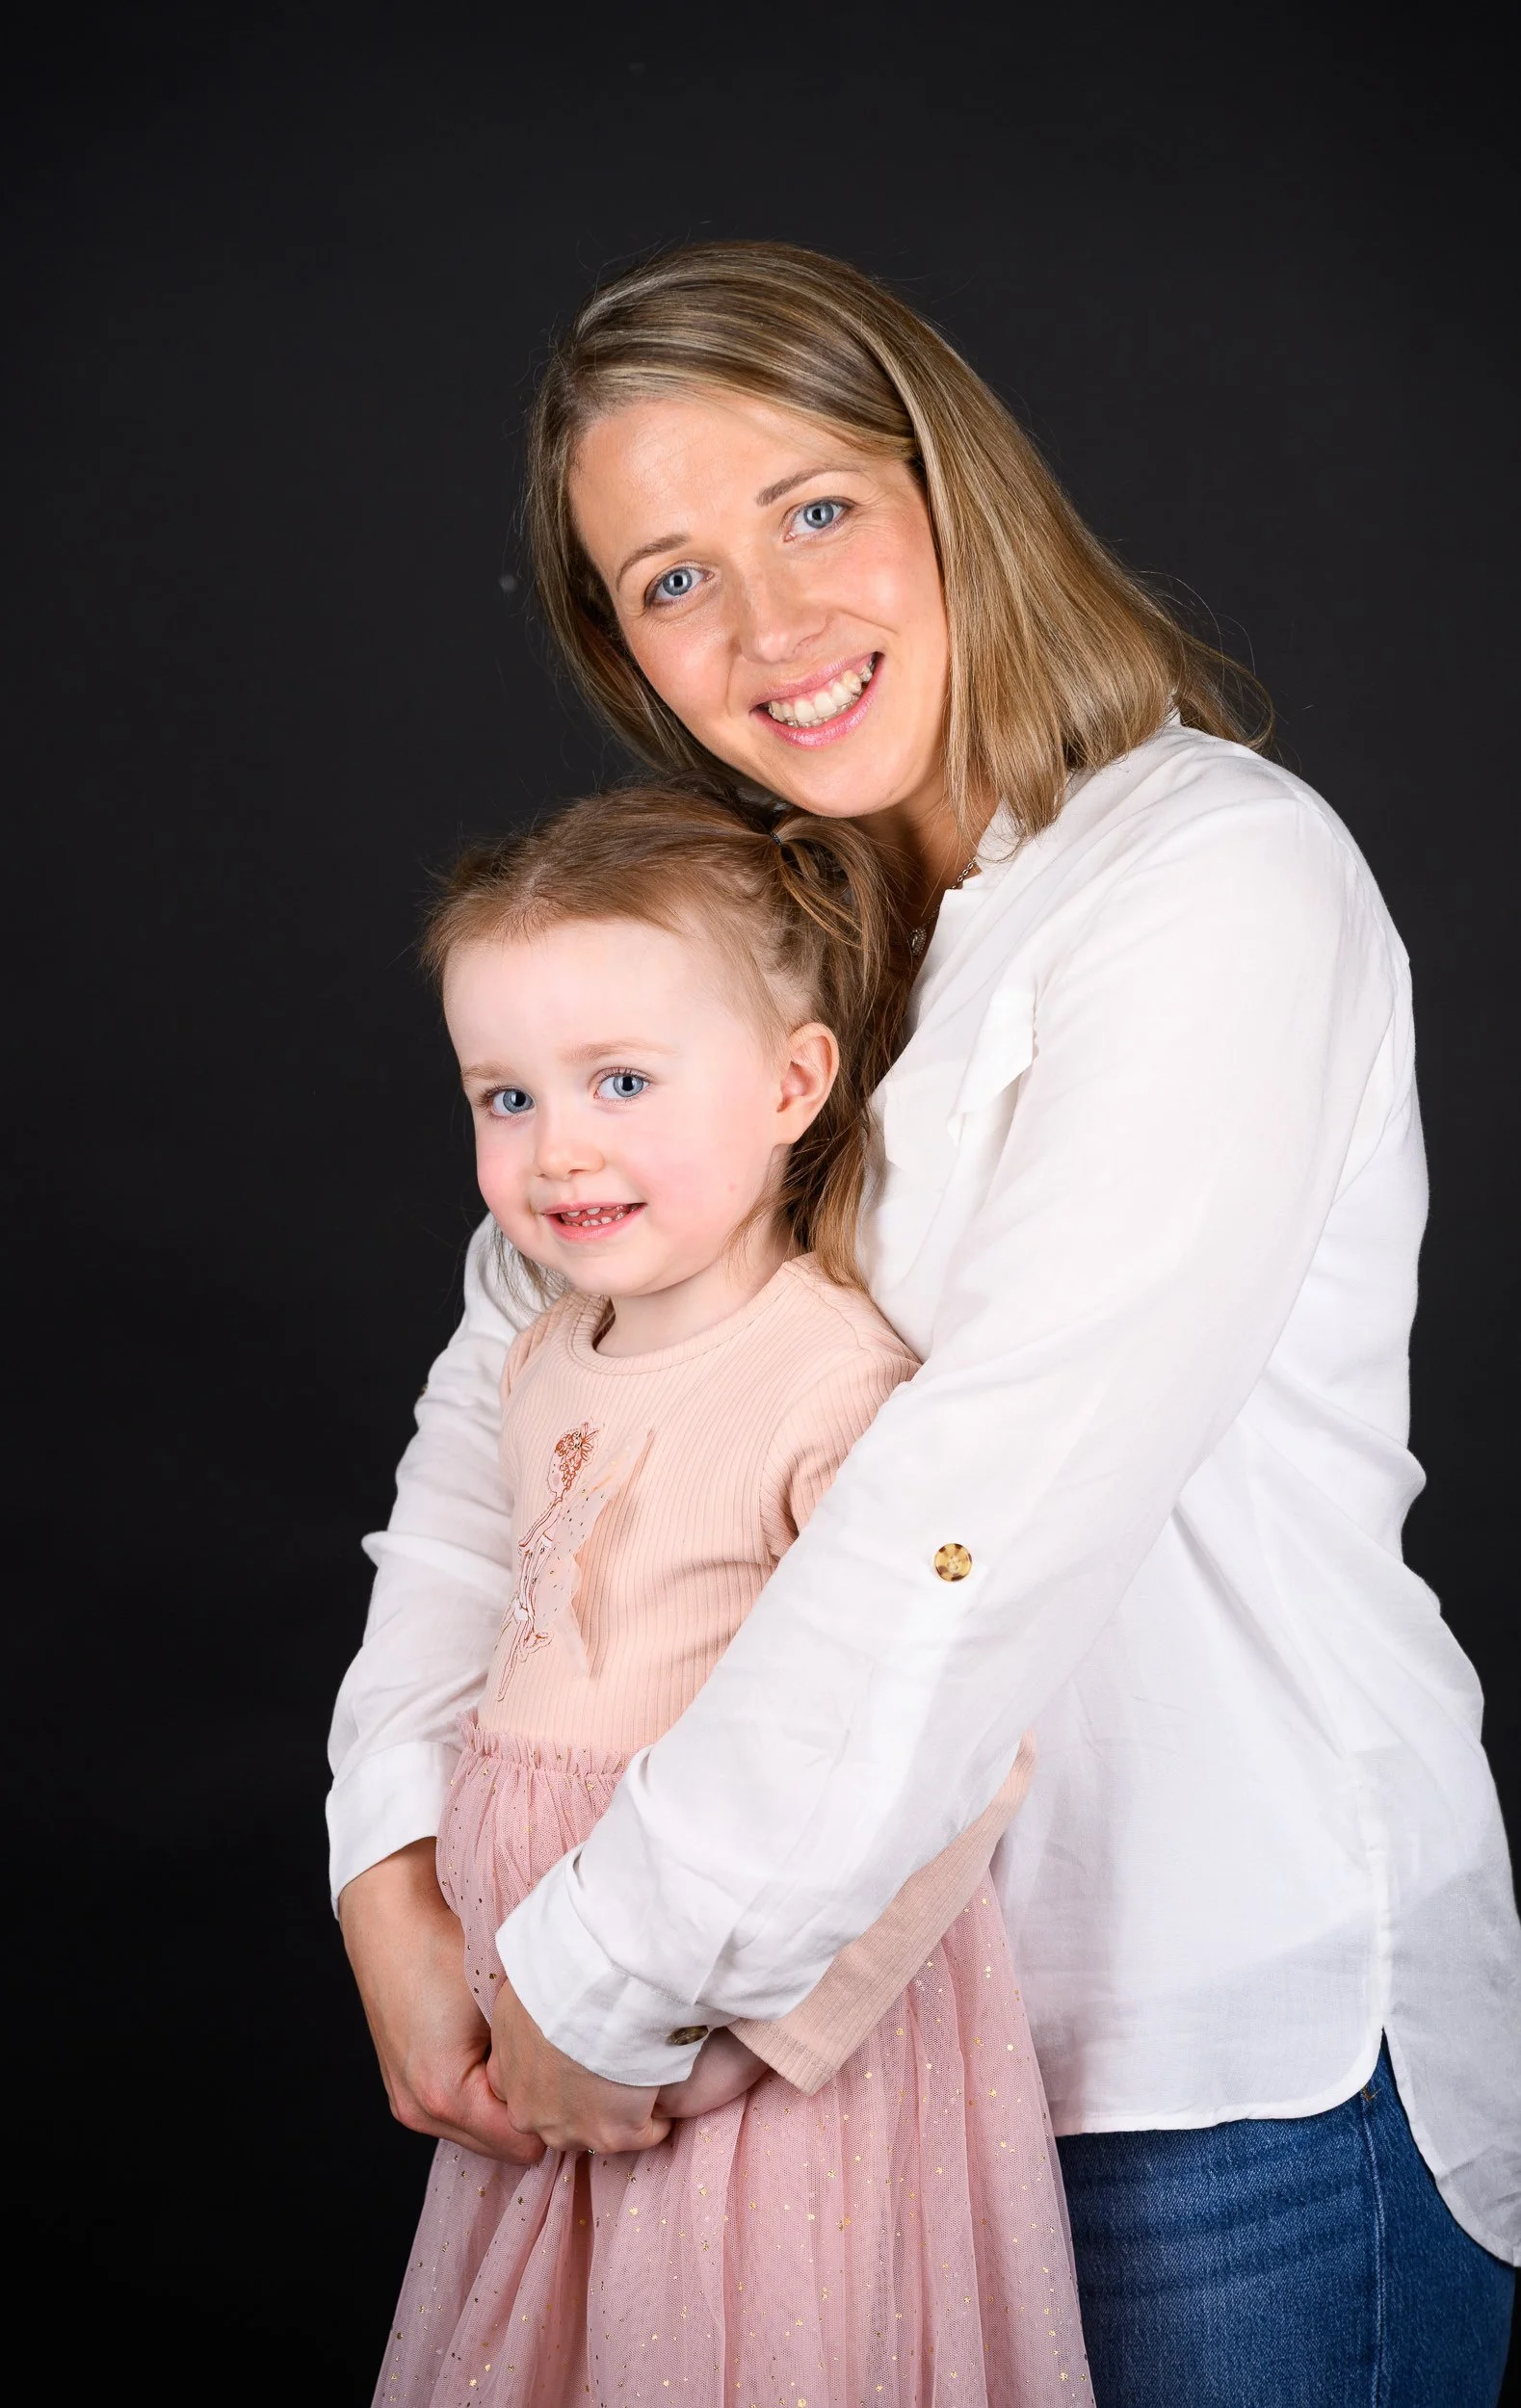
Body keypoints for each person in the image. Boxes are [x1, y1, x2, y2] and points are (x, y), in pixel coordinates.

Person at [333, 243, 1520, 2402]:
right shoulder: (719, 941)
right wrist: (387, 1872)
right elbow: (492, 1411)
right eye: (672, 577)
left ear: (950, 487)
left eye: (811, 508)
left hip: (1196, 2082)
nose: (770, 626)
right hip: (810, 2090)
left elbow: (974, 1513)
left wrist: (586, 1976)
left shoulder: (1209, 882)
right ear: (621, 646)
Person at [368, 782, 1088, 2403]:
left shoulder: (827, 1377)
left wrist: (743, 2051)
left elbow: (954, 1749)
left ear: (789, 1080)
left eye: (621, 1081)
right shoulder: (543, 1350)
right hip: (545, 2040)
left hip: (738, 2076)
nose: (559, 1149)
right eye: (505, 1097)